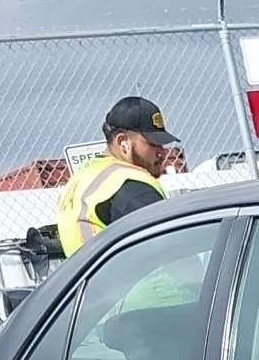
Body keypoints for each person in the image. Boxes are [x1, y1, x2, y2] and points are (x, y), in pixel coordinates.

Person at [53, 97, 179, 256]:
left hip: (93, 277)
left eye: (162, 144)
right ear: (122, 141)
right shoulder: (129, 183)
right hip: (146, 280)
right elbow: (170, 243)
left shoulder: (81, 179)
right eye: (153, 144)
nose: (162, 152)